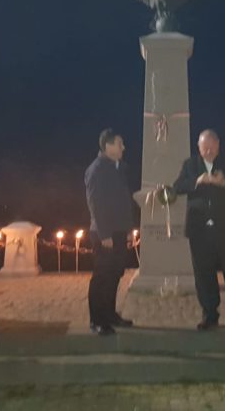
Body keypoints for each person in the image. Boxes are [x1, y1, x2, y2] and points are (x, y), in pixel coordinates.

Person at [173, 129, 225, 331]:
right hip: (199, 231)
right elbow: (177, 187)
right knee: (204, 276)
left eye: (212, 146)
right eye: (205, 147)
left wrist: (224, 183)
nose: (208, 150)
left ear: (218, 145)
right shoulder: (190, 165)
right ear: (199, 147)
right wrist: (197, 181)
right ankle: (210, 316)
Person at [84, 128, 135, 336]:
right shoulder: (96, 170)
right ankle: (97, 320)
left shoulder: (119, 168)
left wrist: (129, 229)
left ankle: (110, 315)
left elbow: (124, 202)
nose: (124, 147)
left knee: (115, 274)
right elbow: (95, 204)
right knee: (102, 277)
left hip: (119, 231)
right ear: (108, 146)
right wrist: (104, 234)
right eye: (120, 144)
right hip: (104, 233)